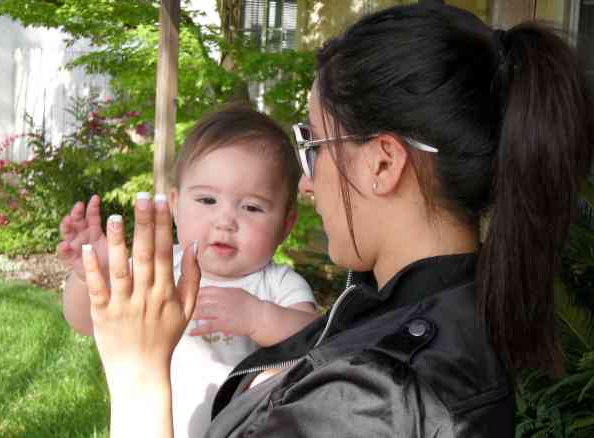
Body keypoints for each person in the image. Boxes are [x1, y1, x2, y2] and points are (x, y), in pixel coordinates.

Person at [80, 3, 594, 437]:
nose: (307, 183)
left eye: (314, 147)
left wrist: (137, 372)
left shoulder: (376, 394)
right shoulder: (425, 310)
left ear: (383, 164)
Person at [58, 104, 318, 438]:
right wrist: (90, 274)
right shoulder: (158, 267)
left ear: (285, 224)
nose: (225, 221)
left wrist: (260, 318)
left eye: (251, 207)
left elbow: (316, 340)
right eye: (207, 201)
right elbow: (83, 323)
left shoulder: (279, 285)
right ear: (176, 205)